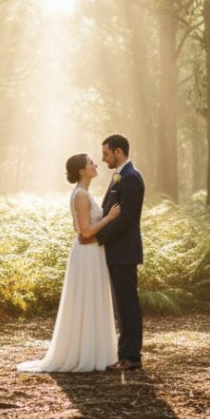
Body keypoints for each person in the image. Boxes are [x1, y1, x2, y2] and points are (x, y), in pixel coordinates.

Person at [17, 153, 121, 372]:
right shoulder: (81, 196)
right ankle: (85, 353)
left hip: (93, 251)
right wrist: (108, 218)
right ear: (82, 171)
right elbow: (85, 231)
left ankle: (95, 351)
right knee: (87, 298)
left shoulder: (84, 194)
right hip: (87, 253)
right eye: (91, 163)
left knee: (92, 298)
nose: (95, 165)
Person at [87, 134, 144, 371]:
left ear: (118, 152)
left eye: (106, 153)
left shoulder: (131, 178)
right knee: (122, 305)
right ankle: (124, 354)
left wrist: (98, 237)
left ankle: (131, 356)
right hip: (117, 251)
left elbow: (127, 219)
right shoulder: (121, 175)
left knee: (127, 304)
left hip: (124, 252)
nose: (103, 158)